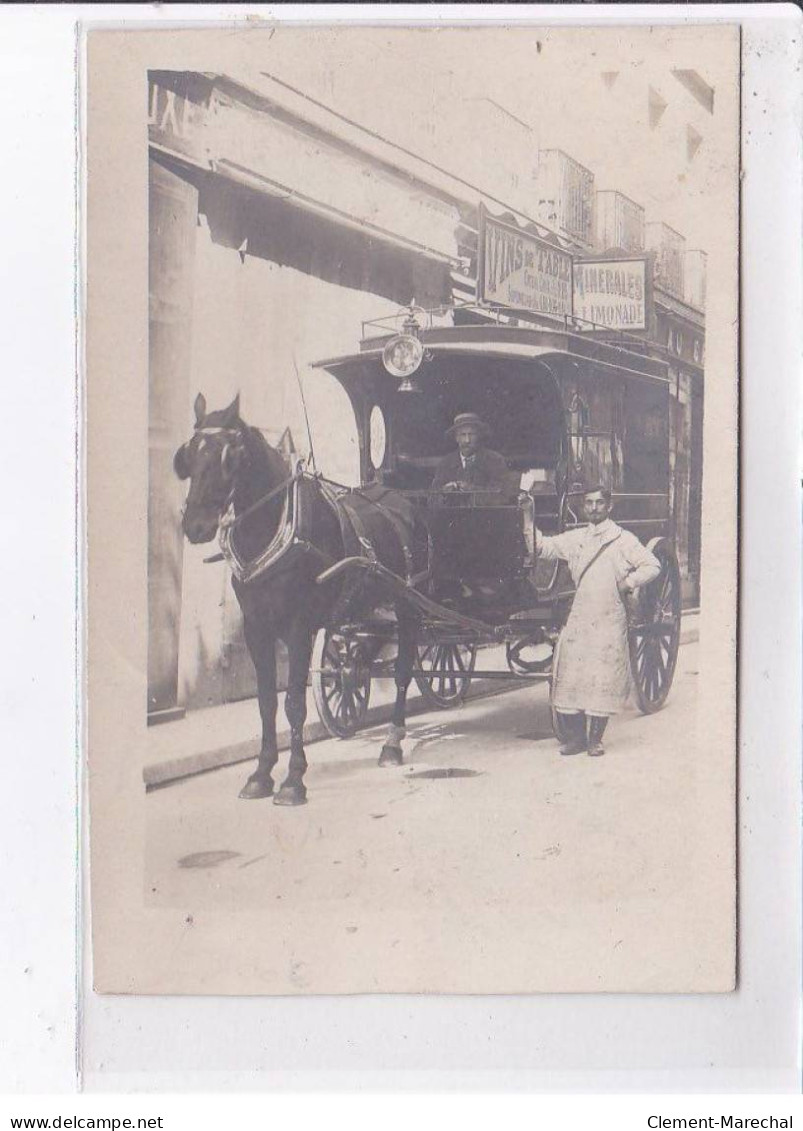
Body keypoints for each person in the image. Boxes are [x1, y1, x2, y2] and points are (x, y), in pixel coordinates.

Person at [534, 485, 662, 757]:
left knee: (602, 673)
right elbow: (542, 547)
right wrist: (525, 516)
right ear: (583, 507)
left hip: (609, 614)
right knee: (575, 672)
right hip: (581, 614)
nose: (593, 508)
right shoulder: (576, 538)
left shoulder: (622, 539)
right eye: (589, 503)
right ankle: (577, 738)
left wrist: (629, 582)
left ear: (609, 506)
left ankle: (595, 740)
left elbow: (652, 565)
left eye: (599, 503)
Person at [432, 413, 515, 496]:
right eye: (463, 435)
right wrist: (443, 491)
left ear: (479, 436)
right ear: (456, 438)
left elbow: (502, 494)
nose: (467, 440)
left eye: (471, 434)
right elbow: (433, 497)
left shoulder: (495, 460)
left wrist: (471, 489)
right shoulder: (445, 463)